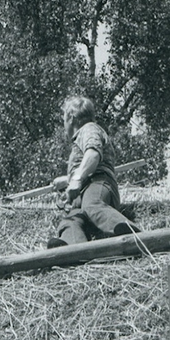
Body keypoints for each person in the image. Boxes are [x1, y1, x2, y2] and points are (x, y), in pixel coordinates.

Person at [47, 96, 138, 248]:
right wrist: (67, 180)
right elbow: (85, 164)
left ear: (71, 118)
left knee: (92, 205)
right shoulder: (81, 137)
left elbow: (93, 153)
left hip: (98, 183)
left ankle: (130, 232)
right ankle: (73, 248)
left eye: (64, 120)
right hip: (83, 190)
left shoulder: (89, 129)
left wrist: (76, 179)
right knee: (70, 219)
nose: (64, 126)